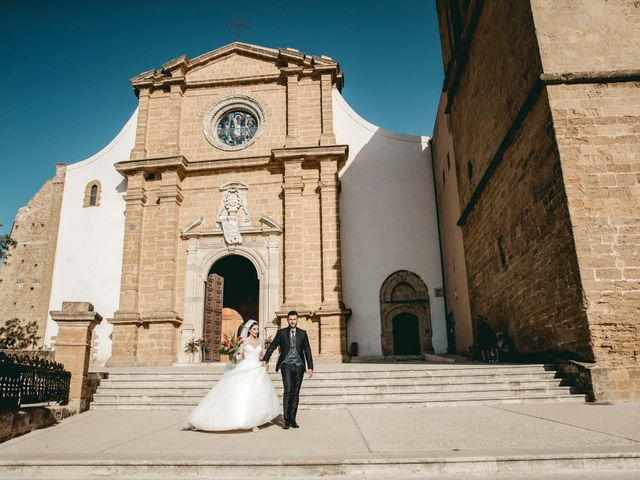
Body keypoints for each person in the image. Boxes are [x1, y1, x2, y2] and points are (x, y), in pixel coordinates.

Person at [183, 319, 279, 432]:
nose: (256, 331)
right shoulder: (244, 341)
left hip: (257, 369)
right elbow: (239, 355)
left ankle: (255, 421)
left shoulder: (261, 342)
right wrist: (233, 353)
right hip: (246, 368)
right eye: (254, 329)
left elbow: (262, 356)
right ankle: (244, 420)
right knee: (245, 394)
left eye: (257, 329)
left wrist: (265, 364)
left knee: (256, 396)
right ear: (249, 330)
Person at [261, 310, 313, 429]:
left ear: (297, 320)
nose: (292, 321)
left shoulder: (303, 334)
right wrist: (265, 359)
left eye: (294, 319)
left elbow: (307, 350)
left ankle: (292, 419)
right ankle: (286, 420)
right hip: (286, 365)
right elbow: (272, 346)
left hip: (299, 366)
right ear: (287, 320)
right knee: (288, 390)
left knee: (295, 393)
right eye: (290, 319)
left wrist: (310, 366)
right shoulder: (281, 333)